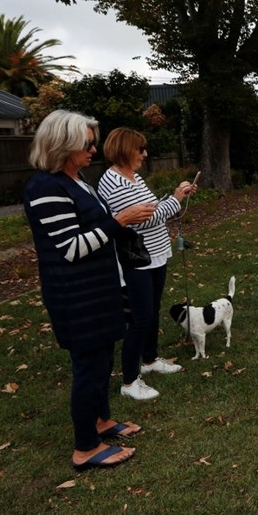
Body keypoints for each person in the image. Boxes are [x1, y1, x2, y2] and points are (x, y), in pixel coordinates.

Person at [24, 110, 155, 471]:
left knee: (103, 361)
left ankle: (101, 421)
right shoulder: (46, 187)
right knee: (89, 367)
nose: (94, 149)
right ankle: (85, 447)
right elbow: (71, 248)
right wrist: (120, 221)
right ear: (62, 144)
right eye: (87, 143)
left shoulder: (77, 180)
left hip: (100, 290)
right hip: (76, 296)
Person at [98, 127, 196, 401]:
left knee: (152, 311)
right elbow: (146, 219)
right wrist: (175, 199)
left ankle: (150, 359)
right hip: (137, 260)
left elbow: (151, 209)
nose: (145, 153)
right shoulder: (113, 182)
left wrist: (177, 195)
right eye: (140, 149)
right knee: (140, 319)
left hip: (156, 254)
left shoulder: (134, 177)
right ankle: (130, 381)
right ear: (124, 150)